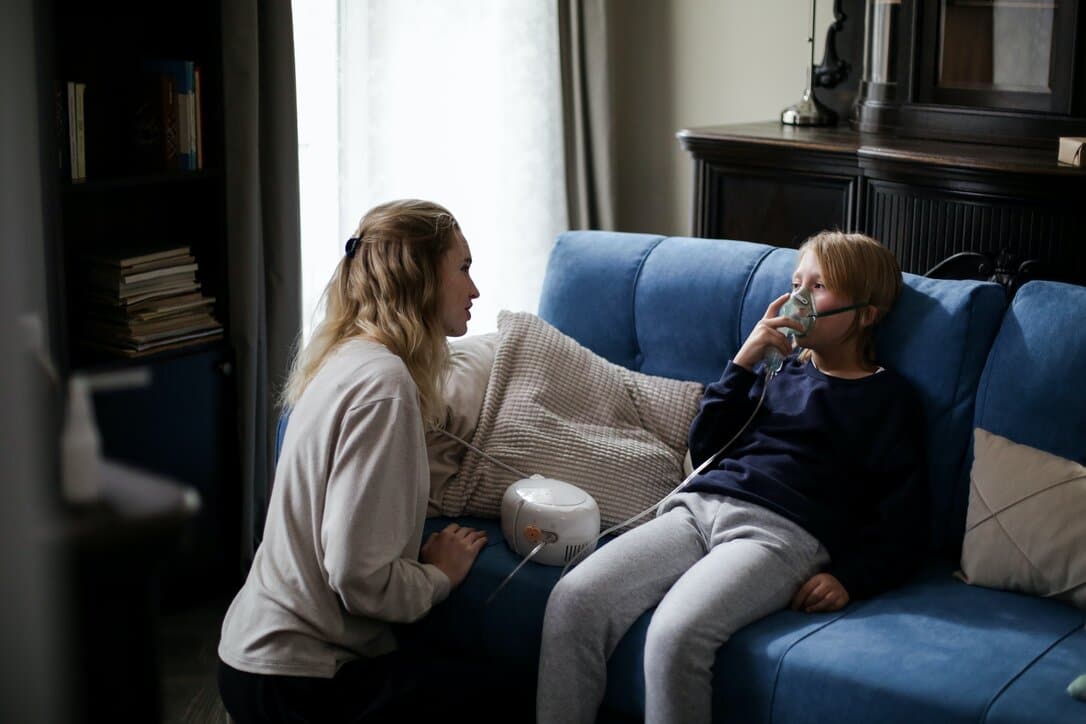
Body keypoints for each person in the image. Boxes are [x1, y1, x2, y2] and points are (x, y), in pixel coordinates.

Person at [536, 231, 928, 724]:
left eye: (820, 286)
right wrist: (745, 361)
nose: (798, 298)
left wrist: (850, 577)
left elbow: (904, 522)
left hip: (779, 535)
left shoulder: (889, 399)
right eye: (795, 282)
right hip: (698, 509)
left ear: (866, 314)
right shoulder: (776, 371)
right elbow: (704, 447)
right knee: (574, 600)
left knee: (674, 635)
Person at [218, 199, 488, 723]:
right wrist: (437, 576)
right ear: (423, 277)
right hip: (296, 682)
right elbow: (356, 575)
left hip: (252, 660)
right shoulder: (385, 386)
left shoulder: (344, 358)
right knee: (496, 694)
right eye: (463, 268)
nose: (474, 289)